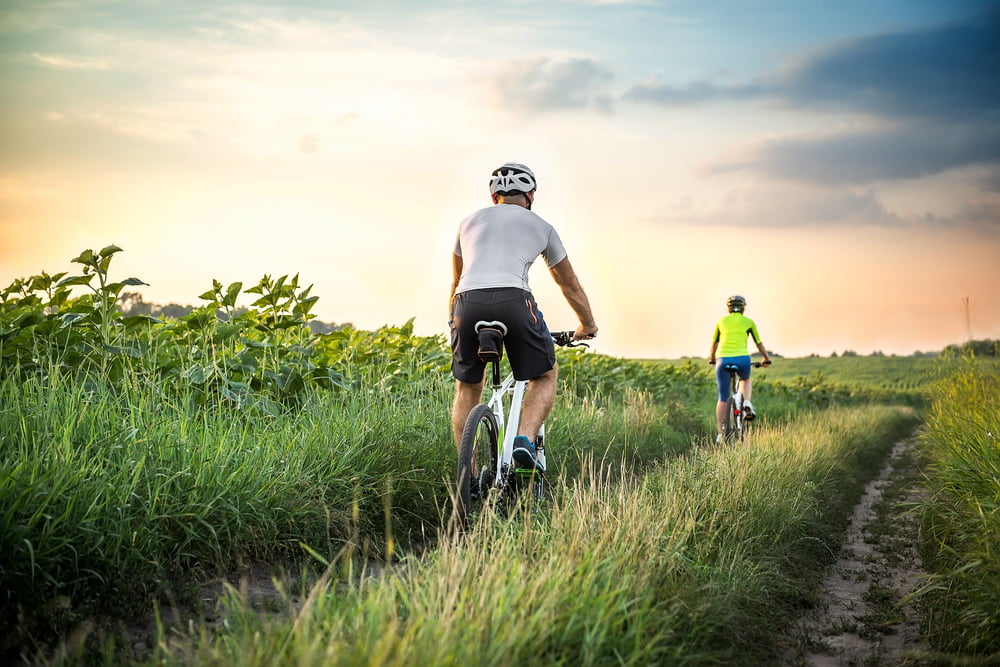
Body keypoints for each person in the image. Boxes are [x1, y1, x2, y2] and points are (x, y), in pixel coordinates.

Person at [450, 162, 598, 470]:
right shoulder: (542, 226)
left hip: (467, 304)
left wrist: (454, 321)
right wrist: (587, 324)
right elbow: (568, 285)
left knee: (468, 387)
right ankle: (524, 441)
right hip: (514, 301)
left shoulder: (467, 223)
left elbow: (457, 279)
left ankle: (470, 473)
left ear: (494, 197)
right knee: (544, 374)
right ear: (531, 195)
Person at [708, 295, 771, 442]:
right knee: (745, 379)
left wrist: (712, 358)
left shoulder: (721, 321)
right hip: (742, 358)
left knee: (723, 397)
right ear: (743, 308)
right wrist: (765, 358)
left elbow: (714, 344)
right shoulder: (749, 322)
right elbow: (759, 343)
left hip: (722, 360)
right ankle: (747, 402)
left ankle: (721, 433)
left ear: (729, 308)